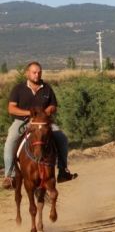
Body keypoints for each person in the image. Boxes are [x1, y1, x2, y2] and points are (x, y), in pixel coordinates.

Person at [3, 61, 77, 189]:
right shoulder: (18, 89)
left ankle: (63, 171)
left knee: (62, 138)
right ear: (28, 73)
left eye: (39, 72)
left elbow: (53, 105)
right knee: (10, 140)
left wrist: (48, 111)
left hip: (43, 122)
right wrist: (29, 113)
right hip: (23, 121)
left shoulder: (47, 88)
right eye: (34, 72)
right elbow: (11, 108)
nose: (37, 75)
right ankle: (9, 176)